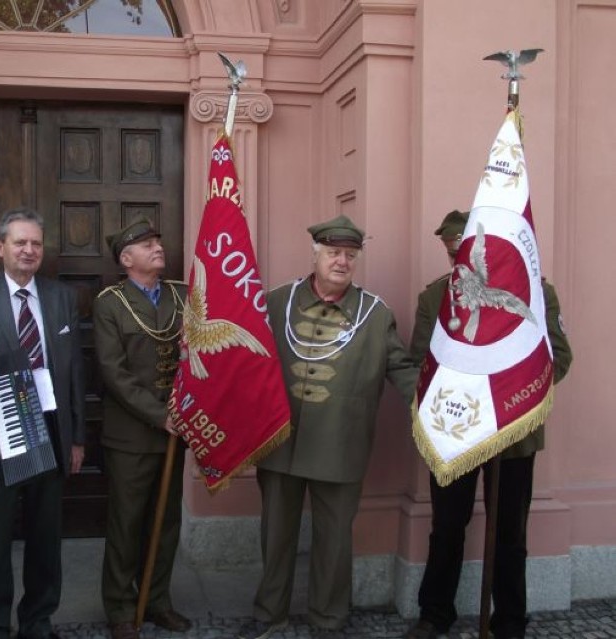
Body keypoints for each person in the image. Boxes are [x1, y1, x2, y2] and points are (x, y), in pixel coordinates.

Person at [238, 214, 419, 639]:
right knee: (276, 535)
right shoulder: (276, 302)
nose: (342, 261)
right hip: (280, 441)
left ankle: (328, 619)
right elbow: (244, 363)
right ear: (315, 254)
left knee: (334, 542)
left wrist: (438, 415)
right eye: (334, 252)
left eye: (350, 255)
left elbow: (403, 369)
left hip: (340, 445)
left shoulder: (375, 315)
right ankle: (269, 614)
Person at [405, 210, 573, 639]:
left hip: (512, 433)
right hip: (455, 432)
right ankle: (434, 613)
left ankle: (511, 622)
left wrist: (509, 395)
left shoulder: (537, 294)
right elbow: (418, 363)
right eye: (450, 254)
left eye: (460, 252)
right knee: (446, 527)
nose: (455, 261)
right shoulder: (434, 299)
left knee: (510, 534)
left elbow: (559, 357)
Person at [0, 207, 87, 639]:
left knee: (45, 535)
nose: (29, 250)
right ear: (0, 248)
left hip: (50, 429)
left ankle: (38, 620)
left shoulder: (61, 297)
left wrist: (76, 437)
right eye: (20, 242)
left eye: (36, 243)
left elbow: (74, 370)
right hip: (0, 433)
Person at [93, 216, 190, 639]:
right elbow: (114, 374)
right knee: (126, 525)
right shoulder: (109, 303)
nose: (157, 248)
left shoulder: (183, 297)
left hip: (176, 431)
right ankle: (119, 607)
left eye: (157, 241)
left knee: (165, 523)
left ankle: (157, 600)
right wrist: (159, 415)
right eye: (146, 244)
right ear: (126, 258)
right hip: (132, 436)